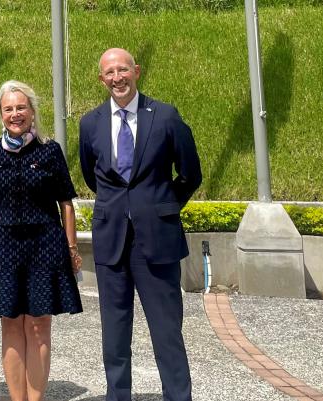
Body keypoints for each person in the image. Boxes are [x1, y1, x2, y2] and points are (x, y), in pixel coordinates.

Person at [78, 48, 202, 401]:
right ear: (102, 79)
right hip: (112, 240)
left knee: (167, 333)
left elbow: (190, 173)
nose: (117, 77)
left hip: (158, 241)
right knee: (114, 335)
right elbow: (93, 175)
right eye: (109, 73)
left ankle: (178, 396)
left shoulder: (165, 116)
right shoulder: (91, 123)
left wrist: (162, 207)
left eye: (123, 70)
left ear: (137, 71)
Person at [0, 80, 83, 401]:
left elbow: (66, 203)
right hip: (4, 248)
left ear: (32, 111)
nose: (15, 114)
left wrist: (72, 248)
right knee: (11, 326)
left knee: (38, 326)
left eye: (21, 108)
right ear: (0, 114)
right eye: (8, 109)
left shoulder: (49, 151)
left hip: (45, 247)